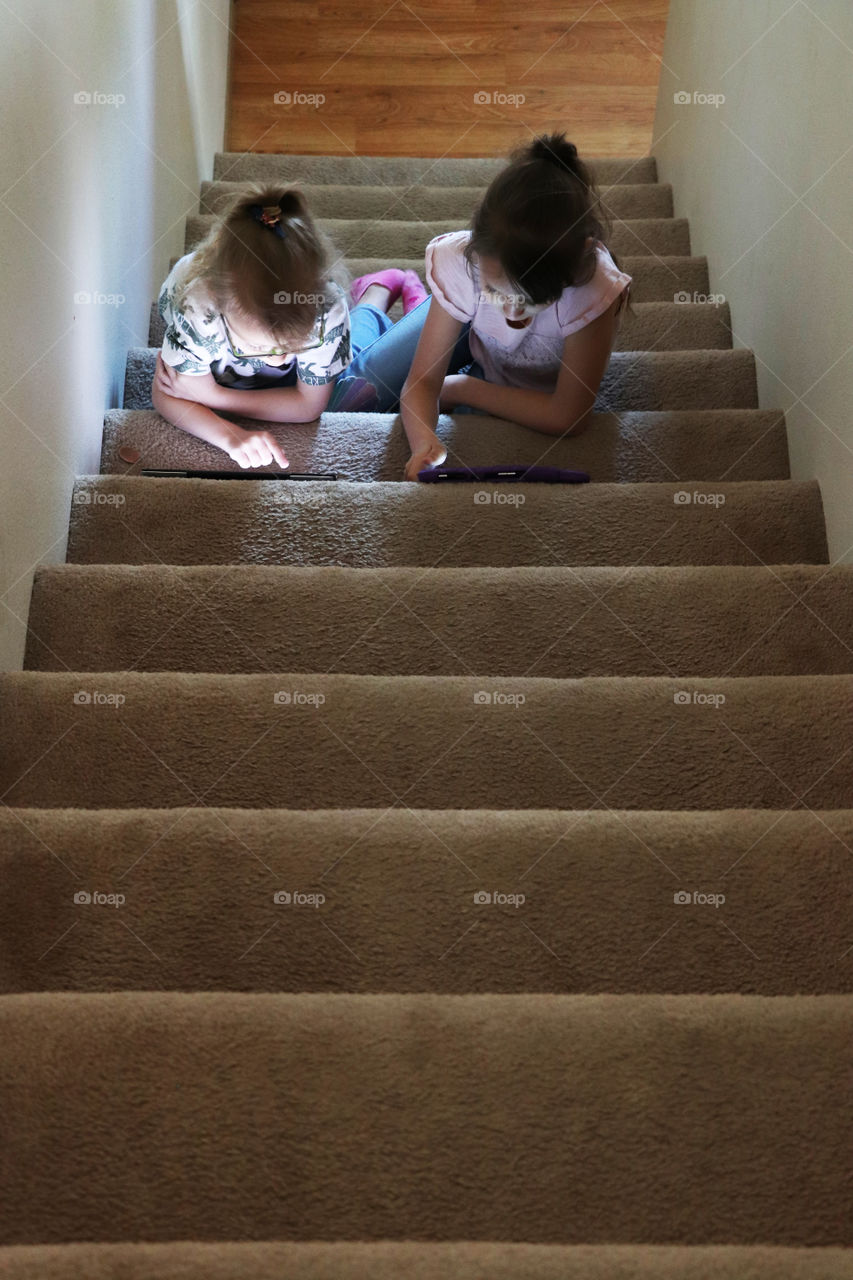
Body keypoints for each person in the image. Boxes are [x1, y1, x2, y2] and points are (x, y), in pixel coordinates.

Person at [322, 133, 634, 480]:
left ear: (576, 261)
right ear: (475, 250)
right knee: (348, 398)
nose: (512, 314)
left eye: (533, 301)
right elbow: (422, 381)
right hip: (471, 321)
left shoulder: (592, 287)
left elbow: (568, 417)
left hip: (482, 358)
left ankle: (421, 302)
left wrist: (461, 387)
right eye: (497, 292)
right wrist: (423, 441)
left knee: (473, 426)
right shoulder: (462, 263)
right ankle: (377, 293)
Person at [152, 184, 352, 470]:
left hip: (235, 381)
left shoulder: (327, 306)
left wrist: (214, 396)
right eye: (260, 347)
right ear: (222, 307)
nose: (280, 358)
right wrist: (230, 436)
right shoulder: (198, 306)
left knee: (360, 374)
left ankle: (377, 294)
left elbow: (308, 407)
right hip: (221, 354)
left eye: (293, 345)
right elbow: (166, 394)